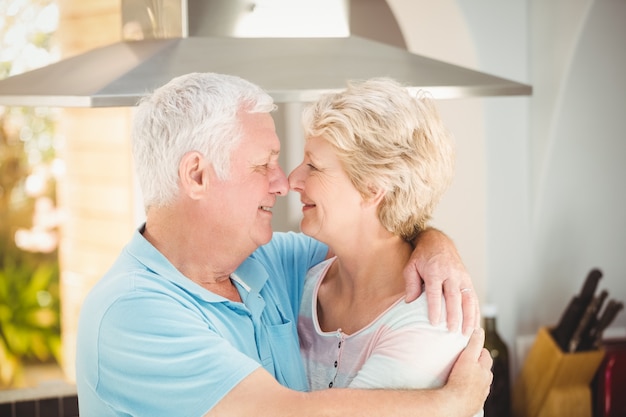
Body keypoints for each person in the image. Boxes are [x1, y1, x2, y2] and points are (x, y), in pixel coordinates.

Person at [75, 72, 492, 417]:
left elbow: (376, 236)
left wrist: (437, 245)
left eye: (306, 164)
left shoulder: (267, 264)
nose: (284, 182)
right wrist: (449, 404)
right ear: (197, 176)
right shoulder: (132, 311)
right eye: (263, 164)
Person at [291, 77, 483, 415]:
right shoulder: (299, 283)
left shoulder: (436, 314)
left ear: (372, 190)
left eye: (314, 166)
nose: (293, 179)